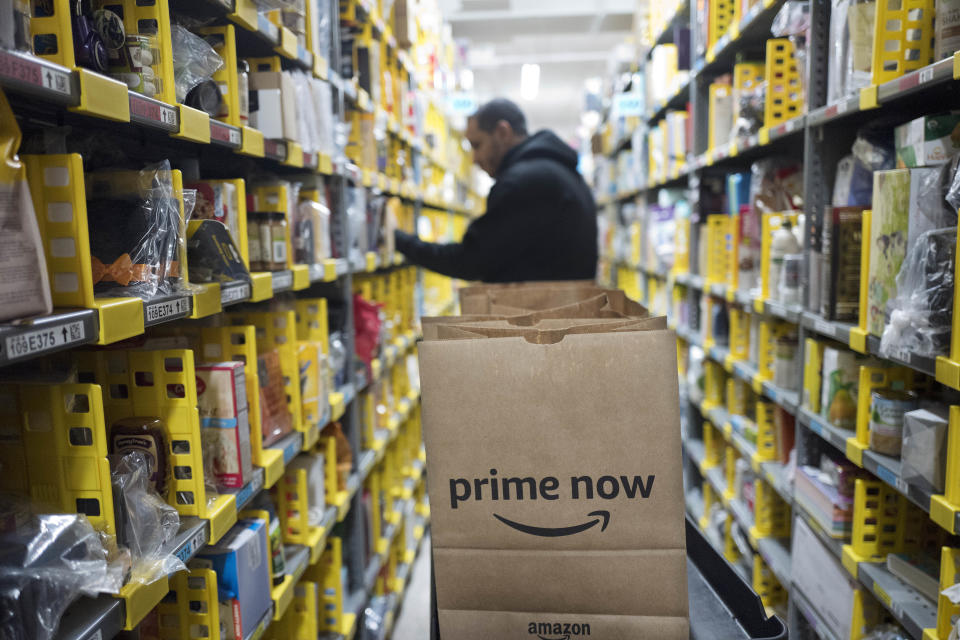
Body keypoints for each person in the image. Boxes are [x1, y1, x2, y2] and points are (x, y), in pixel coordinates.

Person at [394, 98, 598, 283]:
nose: (474, 159)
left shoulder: (524, 183)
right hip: (563, 316)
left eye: (477, 145)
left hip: (541, 319)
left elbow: (470, 261)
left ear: (502, 133)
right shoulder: (563, 173)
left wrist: (399, 240)